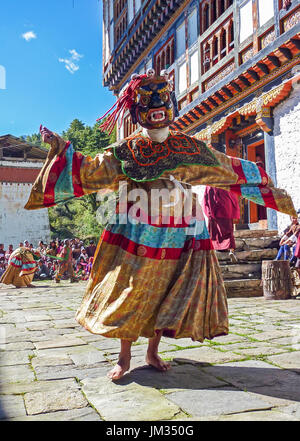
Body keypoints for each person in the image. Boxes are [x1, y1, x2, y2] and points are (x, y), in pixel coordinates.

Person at [24, 71, 297, 381]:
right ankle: (124, 356)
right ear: (136, 108)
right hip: (139, 228)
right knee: (132, 287)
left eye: (161, 98)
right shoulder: (128, 150)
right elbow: (91, 169)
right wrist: (60, 147)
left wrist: (264, 183)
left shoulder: (188, 147)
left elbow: (225, 168)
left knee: (169, 289)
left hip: (182, 228)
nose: (156, 106)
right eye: (146, 100)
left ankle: (153, 351)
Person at [202, 186, 240, 263]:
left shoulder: (210, 185)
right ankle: (231, 251)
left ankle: (216, 250)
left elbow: (205, 199)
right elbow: (232, 197)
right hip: (226, 209)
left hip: (214, 211)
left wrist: (208, 212)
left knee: (215, 232)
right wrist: (234, 209)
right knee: (228, 231)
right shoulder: (225, 183)